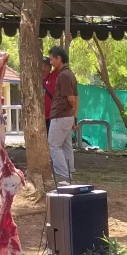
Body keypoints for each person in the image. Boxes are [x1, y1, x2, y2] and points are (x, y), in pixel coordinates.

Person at [48, 45, 79, 184]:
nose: (50, 62)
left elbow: (72, 98)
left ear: (59, 58)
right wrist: (73, 116)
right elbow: (76, 98)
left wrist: (71, 110)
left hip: (60, 115)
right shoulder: (70, 74)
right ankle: (69, 174)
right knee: (66, 146)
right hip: (67, 116)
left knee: (53, 145)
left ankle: (63, 175)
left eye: (51, 59)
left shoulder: (64, 75)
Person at [42, 56, 58, 134]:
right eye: (42, 65)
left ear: (50, 67)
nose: (43, 68)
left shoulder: (53, 77)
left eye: (46, 66)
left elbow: (59, 66)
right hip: (39, 117)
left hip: (52, 117)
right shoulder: (35, 79)